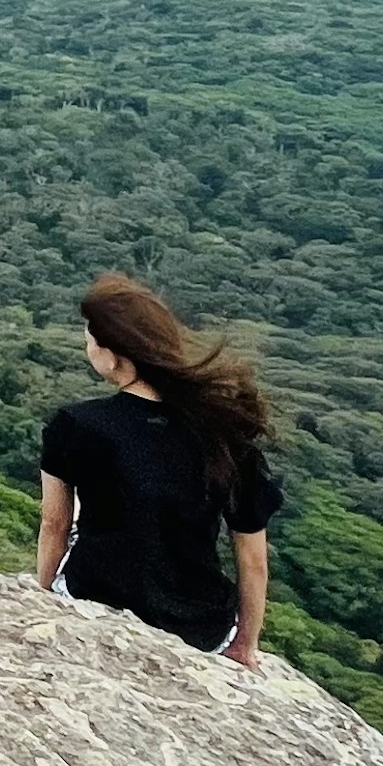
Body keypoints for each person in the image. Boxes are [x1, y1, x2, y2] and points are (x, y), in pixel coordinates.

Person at [33, 273, 283, 666]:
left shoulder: (76, 425)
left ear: (112, 354)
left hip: (95, 601)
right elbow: (252, 559)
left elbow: (54, 524)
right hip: (199, 629)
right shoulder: (225, 435)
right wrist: (245, 645)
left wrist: (42, 595)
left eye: (88, 339)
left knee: (90, 510)